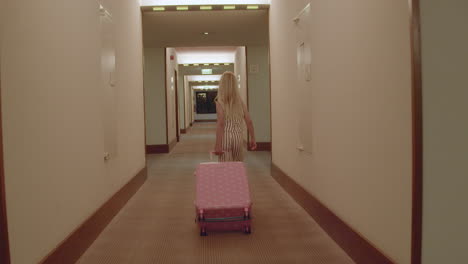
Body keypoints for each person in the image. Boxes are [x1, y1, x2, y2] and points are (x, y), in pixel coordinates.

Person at [214, 71, 256, 161]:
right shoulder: (240, 102)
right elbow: (249, 121)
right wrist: (253, 138)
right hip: (238, 138)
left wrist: (218, 144)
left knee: (225, 169)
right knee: (237, 168)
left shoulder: (219, 102)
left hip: (225, 138)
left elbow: (221, 124)